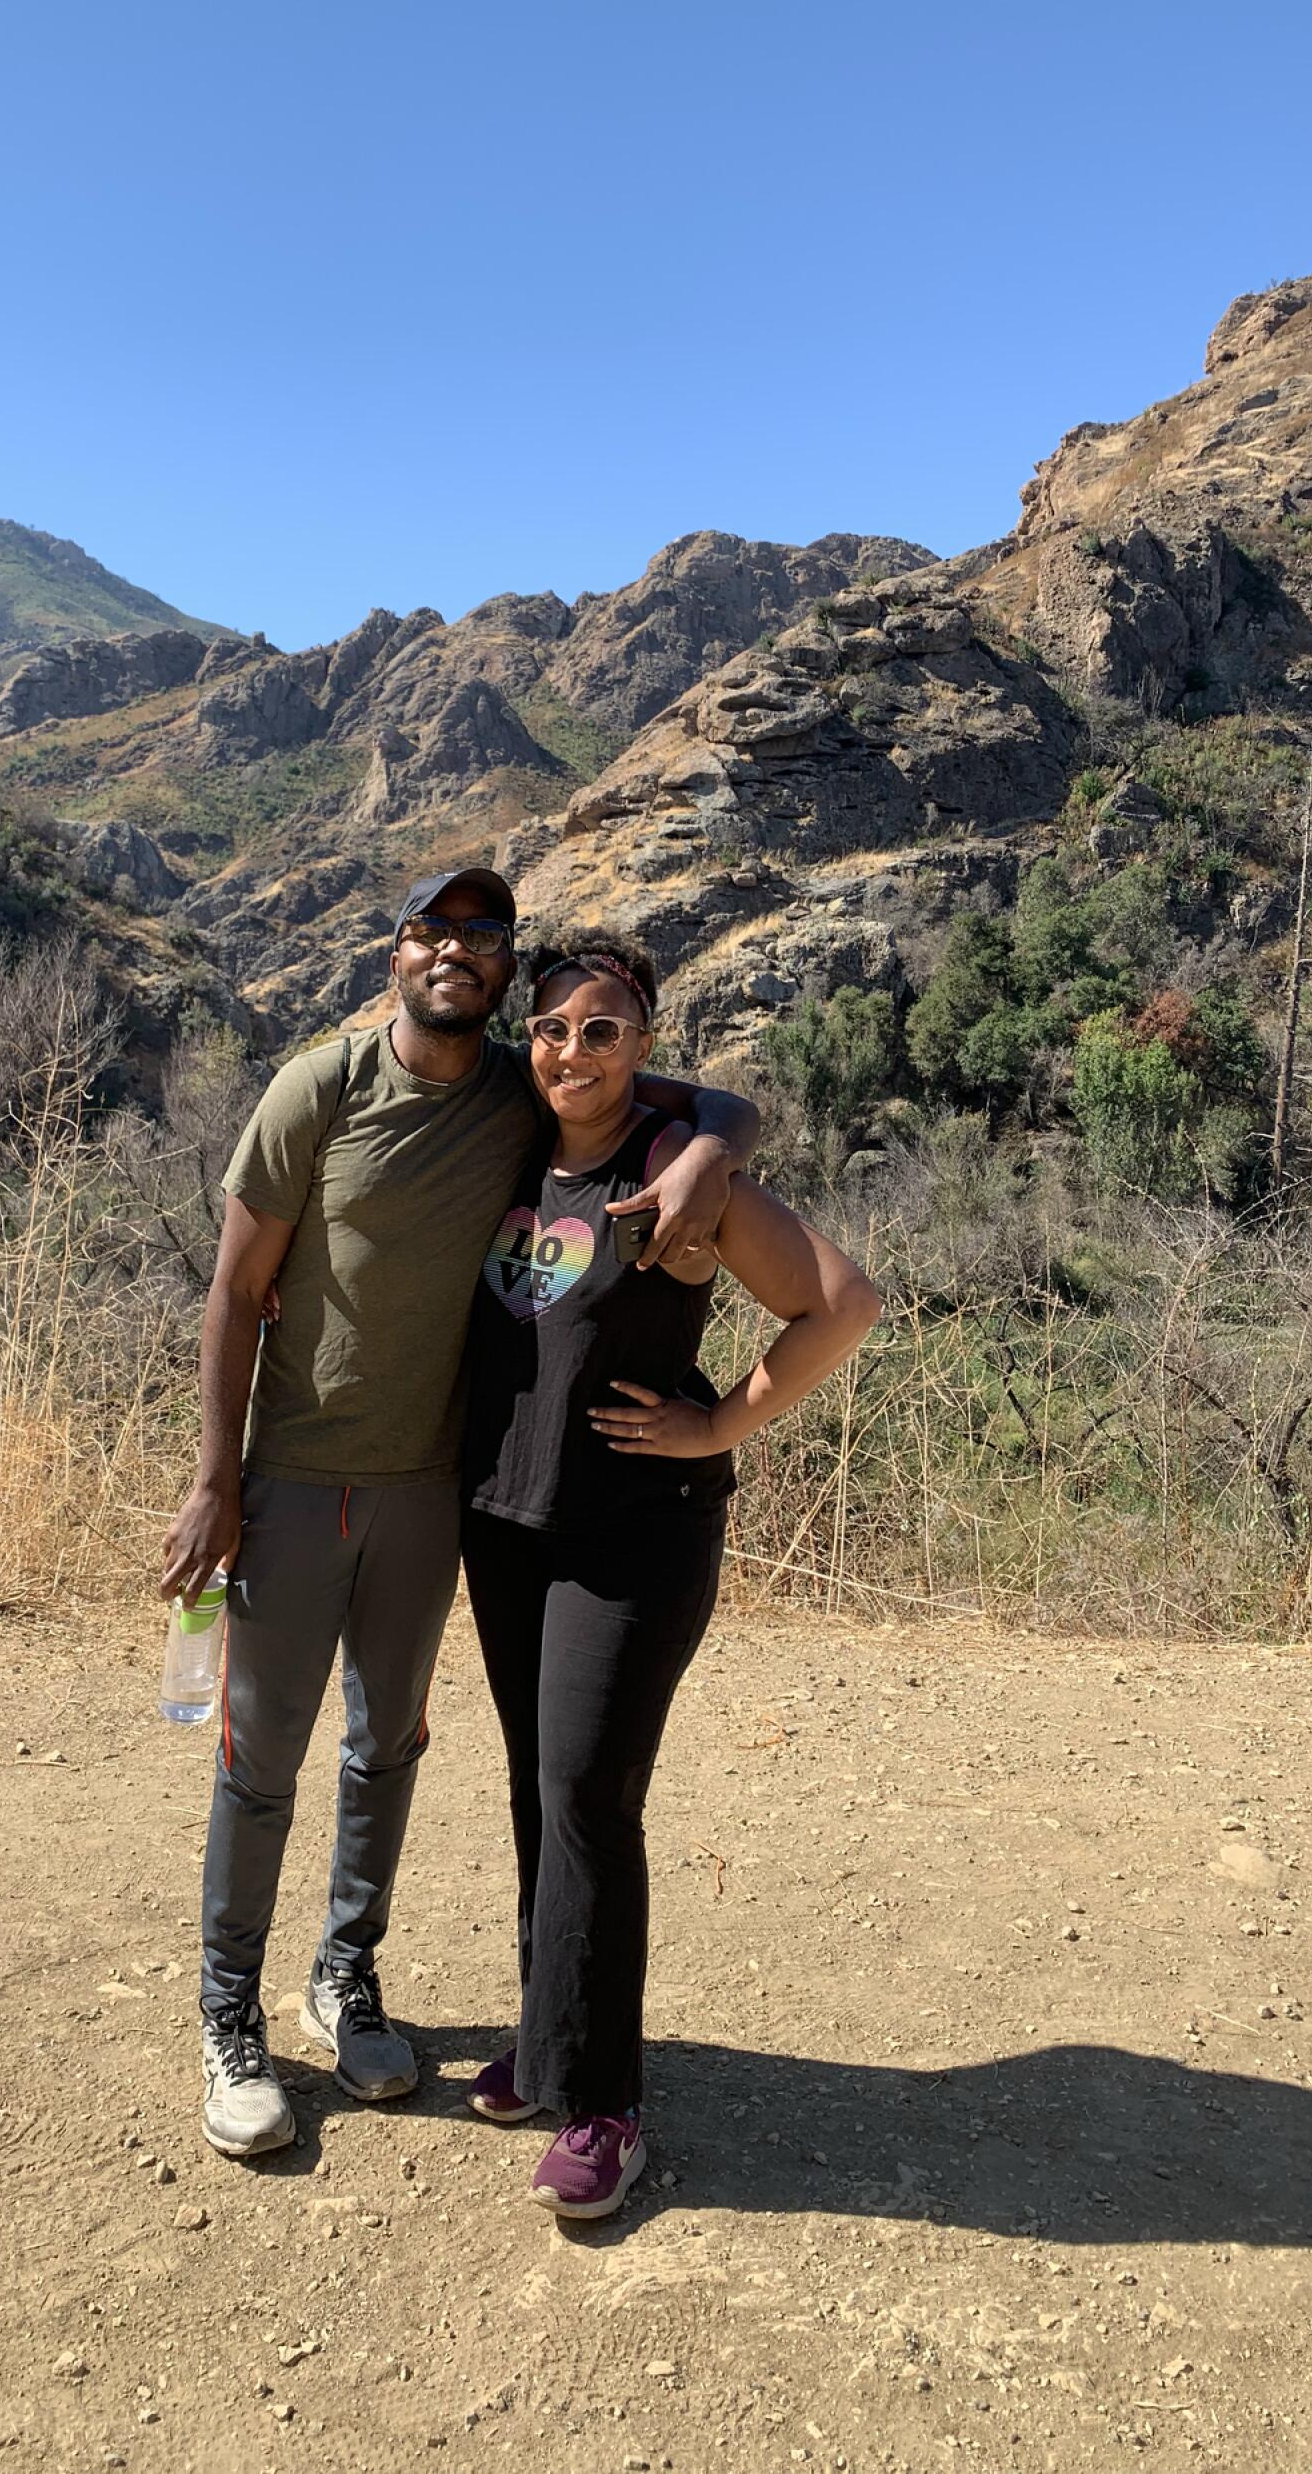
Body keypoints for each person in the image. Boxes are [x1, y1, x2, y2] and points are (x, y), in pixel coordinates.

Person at [158, 870, 761, 2159]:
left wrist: (713, 1139)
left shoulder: (513, 1086)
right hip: (296, 1480)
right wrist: (216, 1479)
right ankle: (227, 2021)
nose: (453, 953)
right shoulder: (316, 1088)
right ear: (396, 951)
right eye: (432, 930)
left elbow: (691, 1097)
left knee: (388, 1749)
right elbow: (229, 1292)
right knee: (260, 1759)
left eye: (480, 938)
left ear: (500, 972)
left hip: (437, 1491)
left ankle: (343, 1980)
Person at [460, 938, 882, 2220]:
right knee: (546, 1790)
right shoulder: (509, 1149)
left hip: (632, 1532)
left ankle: (604, 2104)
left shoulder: (672, 1177)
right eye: (551, 1029)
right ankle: (546, 2050)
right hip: (508, 1523)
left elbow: (840, 1304)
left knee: (590, 1792)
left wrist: (716, 1425)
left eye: (602, 1030)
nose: (571, 1053)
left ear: (643, 1043)